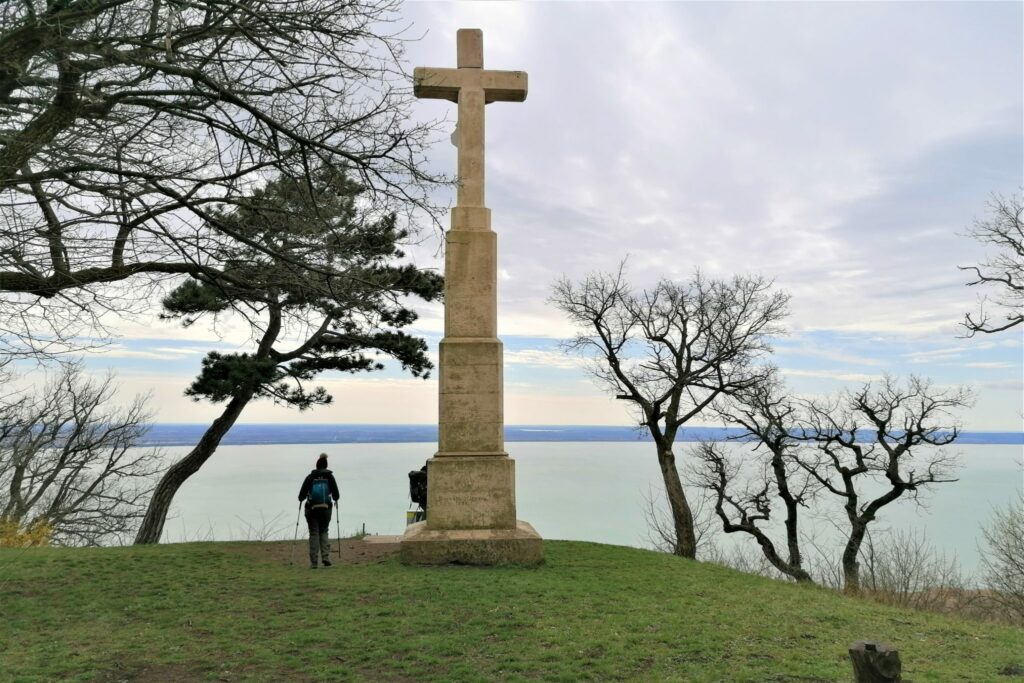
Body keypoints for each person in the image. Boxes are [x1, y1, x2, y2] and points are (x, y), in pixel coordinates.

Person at [298, 453, 340, 568]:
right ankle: (325, 557)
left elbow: (301, 496)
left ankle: (314, 562)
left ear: (316, 465)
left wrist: (304, 499)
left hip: (311, 509)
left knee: (314, 533)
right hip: (326, 509)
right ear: (326, 465)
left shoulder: (310, 477)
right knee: (324, 531)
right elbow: (336, 496)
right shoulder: (330, 477)